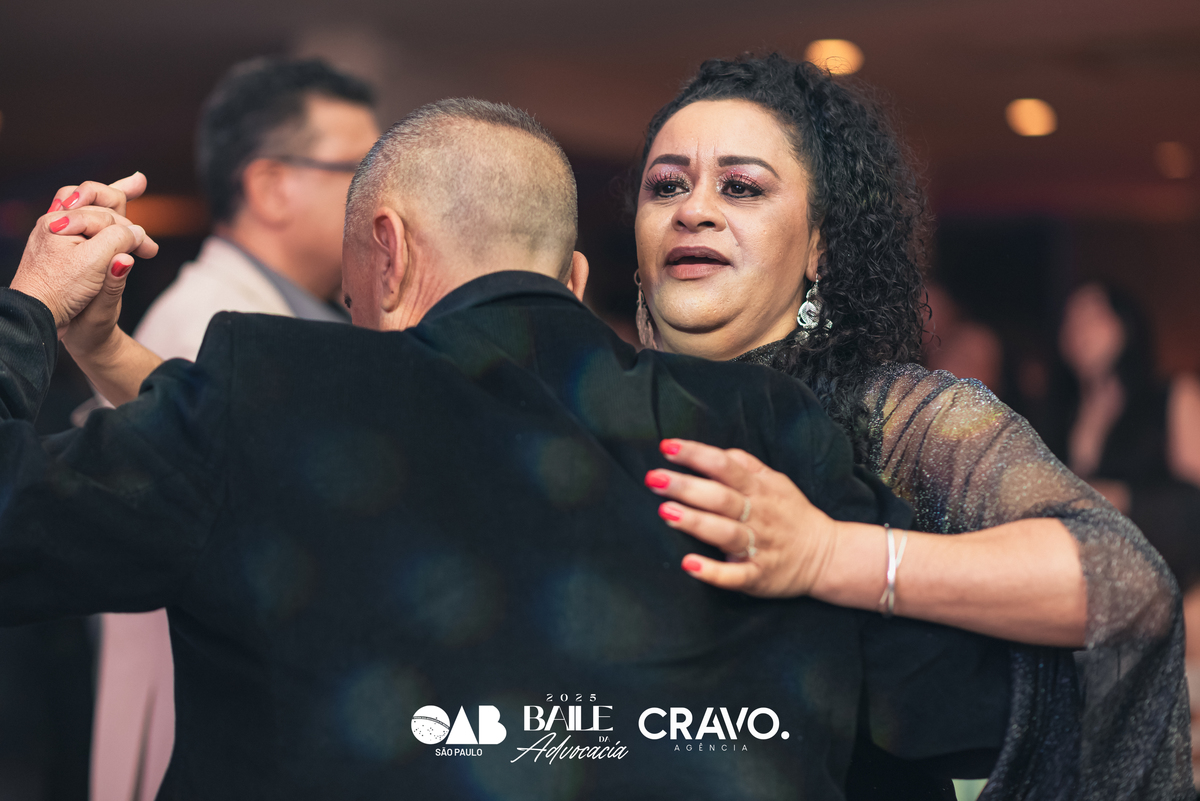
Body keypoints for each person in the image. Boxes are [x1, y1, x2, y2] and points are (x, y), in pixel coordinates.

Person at [2, 101, 1015, 799]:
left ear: (388, 251)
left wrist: (34, 305)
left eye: (351, 295)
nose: (353, 320)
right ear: (570, 277)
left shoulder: (268, 387)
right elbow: (962, 706)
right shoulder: (770, 427)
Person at [623, 54, 1188, 797]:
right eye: (667, 185)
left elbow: (1125, 583)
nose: (692, 209)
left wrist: (826, 554)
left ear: (820, 247)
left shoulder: (897, 416)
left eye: (741, 186)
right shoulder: (589, 414)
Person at [84, 57, 379, 801]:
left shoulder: (291, 320)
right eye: (361, 172)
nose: (381, 199)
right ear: (272, 185)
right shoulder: (204, 326)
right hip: (212, 735)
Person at [1044, 282, 1200, 789]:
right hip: (1095, 590)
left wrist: (1118, 495)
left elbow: (1194, 501)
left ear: (1126, 326)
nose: (1079, 330)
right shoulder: (1057, 414)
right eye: (1070, 320)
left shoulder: (1171, 394)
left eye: (1094, 317)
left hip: (1171, 576)